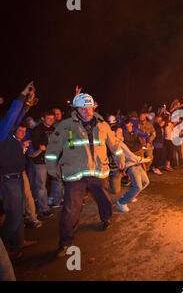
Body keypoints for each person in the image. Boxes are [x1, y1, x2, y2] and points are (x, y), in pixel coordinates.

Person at [45, 92, 125, 257]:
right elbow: (53, 148)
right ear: (76, 109)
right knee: (70, 210)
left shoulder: (103, 125)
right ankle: (65, 242)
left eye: (89, 107)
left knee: (105, 199)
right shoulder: (66, 126)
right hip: (76, 176)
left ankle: (106, 218)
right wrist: (51, 167)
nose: (86, 111)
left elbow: (114, 144)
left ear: (93, 107)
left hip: (98, 173)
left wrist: (120, 157)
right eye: (82, 108)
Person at [0, 82, 39, 260]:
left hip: (17, 177)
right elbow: (12, 116)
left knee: (19, 213)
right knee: (14, 216)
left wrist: (28, 103)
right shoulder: (1, 130)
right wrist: (22, 95)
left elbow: (16, 117)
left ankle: (18, 243)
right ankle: (3, 244)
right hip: (8, 180)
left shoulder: (7, 130)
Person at [114, 128, 151, 212]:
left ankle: (130, 196)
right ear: (113, 134)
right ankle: (122, 202)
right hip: (131, 166)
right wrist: (144, 160)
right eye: (119, 132)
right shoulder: (117, 144)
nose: (121, 133)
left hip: (136, 164)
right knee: (138, 186)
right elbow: (130, 156)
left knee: (145, 182)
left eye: (121, 131)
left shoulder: (121, 142)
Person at [30, 111, 56, 219]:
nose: (50, 120)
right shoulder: (37, 130)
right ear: (42, 118)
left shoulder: (54, 130)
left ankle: (54, 202)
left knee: (55, 182)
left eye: (52, 118)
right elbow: (36, 145)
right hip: (40, 161)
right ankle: (43, 209)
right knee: (41, 186)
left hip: (52, 160)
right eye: (48, 118)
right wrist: (41, 147)